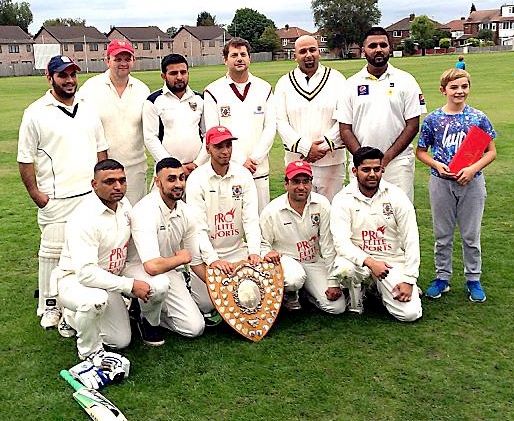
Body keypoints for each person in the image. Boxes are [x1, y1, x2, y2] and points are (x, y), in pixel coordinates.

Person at [17, 55, 108, 330]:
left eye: (72, 75)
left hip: (88, 194)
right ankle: (49, 306)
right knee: (53, 252)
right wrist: (37, 194)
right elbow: (25, 158)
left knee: (89, 250)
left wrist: (102, 186)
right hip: (56, 197)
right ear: (50, 78)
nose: (69, 80)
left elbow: (101, 149)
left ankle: (83, 301)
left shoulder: (88, 108)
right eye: (62, 75)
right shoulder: (35, 112)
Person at [55, 159, 168, 360]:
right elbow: (86, 273)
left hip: (111, 277)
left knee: (122, 338)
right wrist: (130, 285)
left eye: (122, 181)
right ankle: (78, 332)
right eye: (109, 182)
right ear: (94, 184)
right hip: (76, 281)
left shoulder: (124, 204)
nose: (118, 186)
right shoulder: (84, 218)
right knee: (94, 302)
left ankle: (144, 319)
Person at [416, 69, 497, 302]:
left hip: (472, 183)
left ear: (469, 88)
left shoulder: (477, 117)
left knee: (471, 235)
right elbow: (421, 151)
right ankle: (442, 277)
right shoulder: (433, 119)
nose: (459, 91)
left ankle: (473, 279)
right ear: (443, 90)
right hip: (441, 182)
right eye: (454, 87)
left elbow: (491, 152)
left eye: (464, 86)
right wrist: (437, 165)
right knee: (443, 235)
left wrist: (472, 169)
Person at [123, 157, 211, 343]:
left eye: (181, 178)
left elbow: (194, 261)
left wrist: (221, 288)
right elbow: (152, 267)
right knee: (159, 284)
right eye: (171, 179)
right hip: (135, 269)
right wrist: (180, 259)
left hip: (167, 268)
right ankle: (147, 322)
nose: (178, 184)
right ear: (157, 182)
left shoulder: (187, 212)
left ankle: (147, 307)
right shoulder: (145, 211)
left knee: (195, 328)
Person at [330, 147, 422, 322]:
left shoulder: (396, 196)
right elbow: (341, 243)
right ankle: (356, 298)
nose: (372, 174)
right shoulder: (342, 199)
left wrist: (409, 280)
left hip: (390, 260)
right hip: (358, 260)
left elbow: (411, 238)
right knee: (344, 269)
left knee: (409, 314)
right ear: (354, 170)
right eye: (366, 170)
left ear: (382, 170)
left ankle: (377, 288)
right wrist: (371, 263)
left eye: (377, 169)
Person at [336, 26, 427, 202]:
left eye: (383, 45)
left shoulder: (406, 81)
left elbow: (413, 125)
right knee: (363, 218)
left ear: (389, 48)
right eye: (372, 46)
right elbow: (345, 129)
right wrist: (365, 160)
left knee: (398, 218)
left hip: (397, 165)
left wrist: (385, 159)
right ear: (364, 51)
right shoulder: (350, 85)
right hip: (361, 166)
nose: (378, 49)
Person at [260, 160, 346, 314]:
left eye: (306, 182)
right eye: (296, 182)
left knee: (336, 307)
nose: (301, 187)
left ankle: (308, 294)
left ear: (311, 183)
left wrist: (333, 282)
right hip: (286, 262)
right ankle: (289, 294)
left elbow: (328, 244)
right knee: (295, 278)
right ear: (286, 184)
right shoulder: (272, 211)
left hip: (312, 260)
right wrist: (268, 253)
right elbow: (262, 244)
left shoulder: (322, 204)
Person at [203, 37, 276, 213]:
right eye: (234, 55)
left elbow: (270, 127)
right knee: (229, 222)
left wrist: (255, 159)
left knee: (261, 222)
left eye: (243, 54)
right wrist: (241, 160)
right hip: (228, 168)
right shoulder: (213, 91)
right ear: (225, 59)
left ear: (250, 58)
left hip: (258, 168)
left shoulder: (264, 88)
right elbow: (212, 133)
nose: (239, 58)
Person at [275, 35, 347, 201]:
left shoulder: (337, 79)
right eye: (303, 51)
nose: (308, 55)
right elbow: (280, 121)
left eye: (312, 50)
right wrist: (306, 148)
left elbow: (344, 118)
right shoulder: (284, 83)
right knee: (301, 212)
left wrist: (324, 146)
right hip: (297, 161)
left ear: (319, 52)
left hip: (332, 160)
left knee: (331, 213)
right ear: (295, 56)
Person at [79, 40, 150, 206]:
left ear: (133, 61)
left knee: (134, 220)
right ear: (107, 60)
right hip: (102, 171)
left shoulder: (142, 90)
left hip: (134, 168)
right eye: (118, 59)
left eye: (127, 58)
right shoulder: (90, 88)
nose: (123, 63)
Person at [186, 126, 261, 275]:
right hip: (206, 255)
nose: (225, 151)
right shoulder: (196, 179)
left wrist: (254, 252)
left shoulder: (243, 175)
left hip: (239, 251)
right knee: (211, 299)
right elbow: (198, 227)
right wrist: (213, 259)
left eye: (228, 145)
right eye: (218, 146)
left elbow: (250, 218)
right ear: (208, 149)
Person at [143, 54, 205, 177]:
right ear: (163, 76)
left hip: (197, 170)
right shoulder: (153, 101)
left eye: (183, 72)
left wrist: (198, 163)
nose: (179, 77)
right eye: (173, 73)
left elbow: (207, 133)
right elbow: (150, 138)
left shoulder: (200, 99)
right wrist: (172, 165)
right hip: (167, 170)